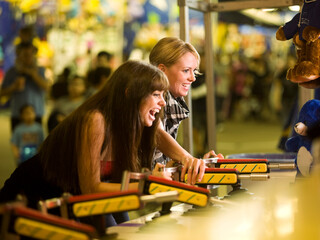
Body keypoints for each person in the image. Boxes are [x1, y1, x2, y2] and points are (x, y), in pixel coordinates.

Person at [0, 60, 171, 226]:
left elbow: (118, 185)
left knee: (127, 230)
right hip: (34, 193)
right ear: (129, 94)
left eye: (163, 95)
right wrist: (147, 184)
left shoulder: (130, 125)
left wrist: (151, 179)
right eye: (156, 94)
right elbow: (91, 188)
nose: (162, 102)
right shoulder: (96, 119)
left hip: (73, 197)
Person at [149, 37, 223, 185]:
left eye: (194, 71)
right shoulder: (148, 95)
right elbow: (157, 134)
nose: (193, 78)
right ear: (161, 70)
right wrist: (188, 159)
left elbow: (160, 161)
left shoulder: (171, 101)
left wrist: (197, 164)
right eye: (186, 70)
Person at [0, 42, 48, 132]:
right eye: (25, 55)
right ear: (18, 56)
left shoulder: (40, 70)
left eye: (31, 55)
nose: (29, 58)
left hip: (36, 114)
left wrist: (34, 75)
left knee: (38, 144)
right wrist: (13, 87)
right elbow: (2, 93)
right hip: (17, 114)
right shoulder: (12, 72)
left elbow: (47, 88)